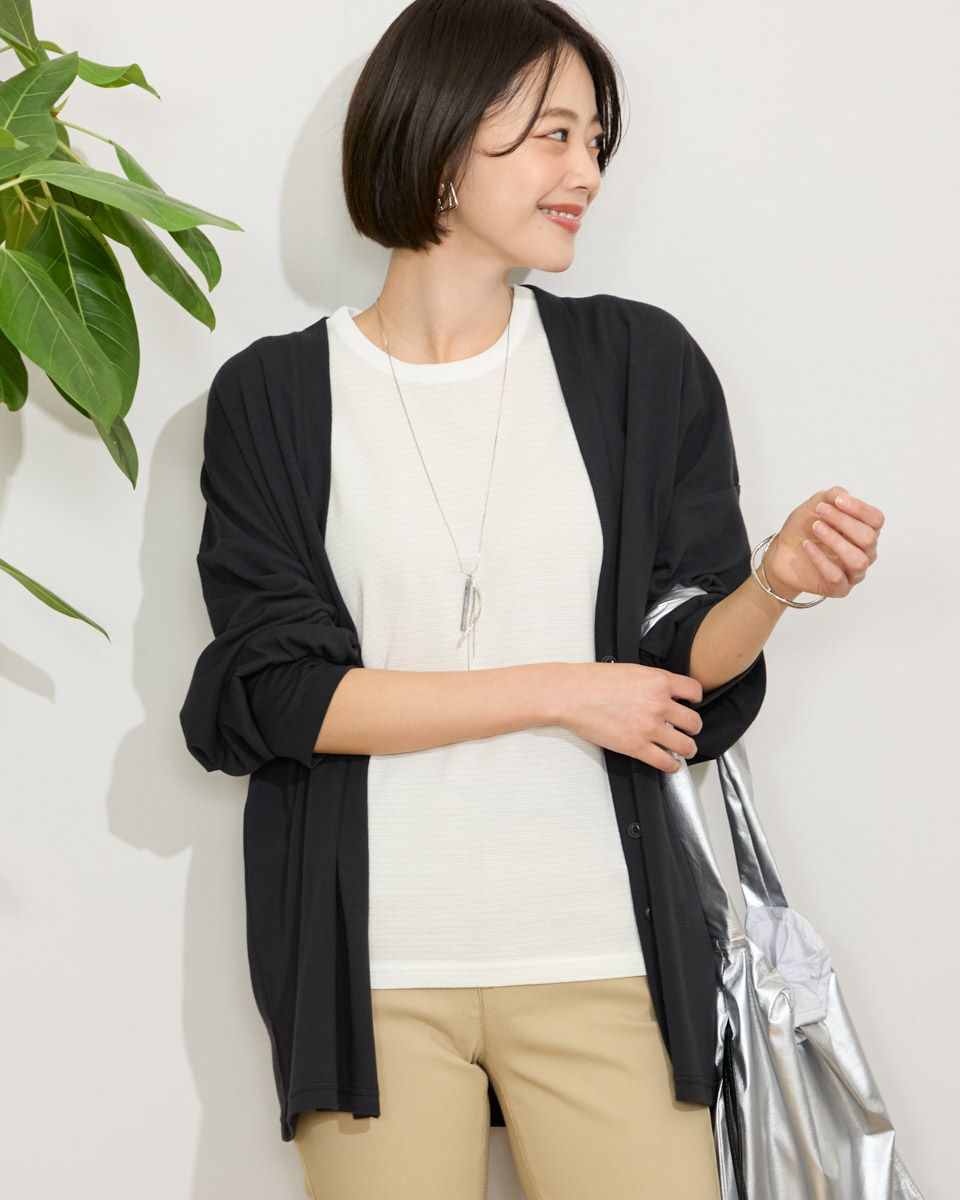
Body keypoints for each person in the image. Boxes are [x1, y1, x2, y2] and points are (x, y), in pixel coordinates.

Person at [179, 1, 884, 1196]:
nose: (588, 173)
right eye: (554, 134)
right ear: (440, 133)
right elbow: (279, 696)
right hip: (375, 976)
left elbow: (676, 668)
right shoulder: (276, 398)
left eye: (596, 142)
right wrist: (561, 691)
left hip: (606, 953)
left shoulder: (641, 366)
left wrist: (775, 583)